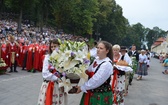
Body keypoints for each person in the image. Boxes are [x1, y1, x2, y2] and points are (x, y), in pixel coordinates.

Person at [76, 41, 113, 105]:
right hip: (91, 91)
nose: (98, 50)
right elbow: (87, 71)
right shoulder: (96, 60)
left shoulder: (107, 64)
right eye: (97, 48)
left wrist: (83, 87)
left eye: (101, 48)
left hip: (100, 94)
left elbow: (96, 80)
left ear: (107, 51)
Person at [37, 39, 67, 105]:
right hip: (50, 84)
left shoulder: (64, 58)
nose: (53, 48)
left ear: (59, 46)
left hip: (60, 86)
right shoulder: (47, 58)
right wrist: (57, 78)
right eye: (52, 47)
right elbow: (45, 73)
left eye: (55, 46)